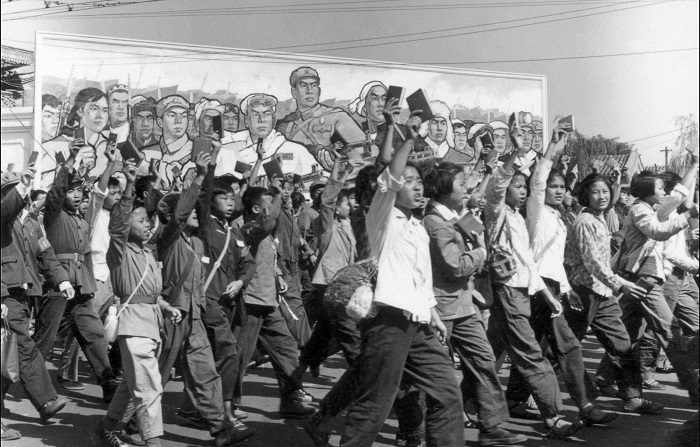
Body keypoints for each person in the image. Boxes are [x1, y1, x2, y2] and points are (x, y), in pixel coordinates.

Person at [337, 120, 464, 447]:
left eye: (419, 181)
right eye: (409, 181)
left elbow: (420, 279)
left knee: (448, 391)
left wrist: (433, 315)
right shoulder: (382, 216)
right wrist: (410, 139)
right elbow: (389, 180)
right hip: (388, 321)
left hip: (418, 322)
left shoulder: (417, 225)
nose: (416, 187)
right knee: (376, 401)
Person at [506, 119, 617, 426]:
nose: (557, 191)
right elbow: (538, 180)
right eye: (552, 187)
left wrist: (566, 290)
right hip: (533, 288)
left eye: (562, 187)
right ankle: (583, 405)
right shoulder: (534, 211)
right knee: (567, 348)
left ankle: (513, 398)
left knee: (536, 348)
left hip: (553, 288)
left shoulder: (559, 218)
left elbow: (555, 259)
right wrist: (552, 148)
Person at [483, 121, 580, 438]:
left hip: (520, 292)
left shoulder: (521, 218)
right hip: (509, 292)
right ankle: (554, 416)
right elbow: (498, 185)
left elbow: (528, 263)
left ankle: (472, 406)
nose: (525, 190)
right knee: (531, 355)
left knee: (485, 356)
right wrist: (516, 153)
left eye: (525, 187)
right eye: (518, 186)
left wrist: (551, 296)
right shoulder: (496, 210)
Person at [421, 161, 526, 446]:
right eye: (460, 182)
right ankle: (414, 429)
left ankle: (491, 425)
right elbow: (455, 265)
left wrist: (483, 246)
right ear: (444, 189)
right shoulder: (434, 222)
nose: (467, 186)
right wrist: (480, 252)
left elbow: (485, 237)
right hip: (441, 308)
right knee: (428, 377)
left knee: (483, 360)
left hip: (466, 305)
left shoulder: (460, 214)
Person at [156, 151, 254, 445]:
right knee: (155, 376)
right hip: (170, 315)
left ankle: (220, 429)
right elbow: (183, 212)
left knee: (205, 371)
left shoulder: (197, 242)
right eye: (192, 213)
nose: (198, 215)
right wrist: (201, 174)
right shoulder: (169, 237)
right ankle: (121, 421)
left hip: (194, 314)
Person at [95, 160, 181, 447]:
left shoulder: (145, 253)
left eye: (148, 221)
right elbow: (118, 224)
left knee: (132, 385)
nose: (148, 225)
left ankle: (106, 428)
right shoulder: (119, 251)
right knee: (148, 388)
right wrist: (130, 186)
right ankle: (153, 442)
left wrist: (165, 306)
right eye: (142, 220)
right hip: (133, 326)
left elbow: (152, 294)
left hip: (152, 323)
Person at [564, 173, 664, 414]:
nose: (602, 196)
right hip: (582, 293)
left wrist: (616, 278)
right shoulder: (585, 221)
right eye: (596, 192)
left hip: (602, 292)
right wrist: (621, 284)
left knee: (622, 345)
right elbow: (593, 264)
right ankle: (527, 394)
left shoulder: (599, 219)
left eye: (606, 192)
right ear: (585, 194)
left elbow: (605, 262)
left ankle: (633, 397)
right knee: (565, 349)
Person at [609, 169, 699, 403]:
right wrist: (689, 213)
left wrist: (695, 164)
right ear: (648, 192)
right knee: (671, 333)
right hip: (642, 280)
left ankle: (608, 382)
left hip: (645, 279)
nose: (665, 193)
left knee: (624, 333)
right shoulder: (640, 210)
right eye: (660, 189)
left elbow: (679, 196)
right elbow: (658, 233)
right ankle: (696, 390)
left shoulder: (652, 209)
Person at [234, 180, 316, 418]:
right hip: (249, 302)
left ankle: (291, 397)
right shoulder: (246, 226)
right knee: (240, 355)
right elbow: (267, 225)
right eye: (269, 204)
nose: (274, 208)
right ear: (257, 209)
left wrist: (278, 274)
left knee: (287, 346)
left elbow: (270, 256)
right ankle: (228, 405)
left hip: (269, 301)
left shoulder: (266, 230)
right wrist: (279, 196)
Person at [43, 146, 118, 402]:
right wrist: (70, 164)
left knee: (93, 332)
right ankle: (25, 386)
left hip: (81, 284)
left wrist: (88, 283)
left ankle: (107, 381)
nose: (76, 195)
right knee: (45, 338)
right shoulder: (53, 215)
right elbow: (54, 193)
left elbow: (85, 254)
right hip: (56, 282)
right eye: (71, 191)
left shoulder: (83, 220)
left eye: (79, 191)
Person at [1, 168, 68, 439]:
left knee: (8, 358)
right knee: (23, 349)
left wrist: (61, 279)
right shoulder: (4, 218)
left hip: (22, 295)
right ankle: (46, 401)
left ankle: (44, 403)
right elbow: (5, 209)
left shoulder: (30, 222)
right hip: (5, 296)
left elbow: (46, 252)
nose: (23, 193)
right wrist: (20, 189)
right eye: (14, 190)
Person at [298, 159, 357, 380]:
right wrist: (338, 173)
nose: (351, 206)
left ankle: (304, 365)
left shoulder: (350, 225)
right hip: (329, 285)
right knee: (351, 335)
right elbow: (328, 199)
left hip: (344, 286)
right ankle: (361, 378)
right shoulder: (327, 226)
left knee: (324, 333)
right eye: (347, 203)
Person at [277, 67, 366, 171]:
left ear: (319, 90)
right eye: (303, 86)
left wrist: (339, 169)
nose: (309, 91)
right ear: (294, 92)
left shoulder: (337, 116)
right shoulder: (283, 125)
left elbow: (364, 155)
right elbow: (279, 158)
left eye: (314, 85)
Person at [217, 93, 319, 177]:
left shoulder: (296, 151)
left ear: (273, 119)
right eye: (255, 114)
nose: (262, 120)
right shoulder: (227, 152)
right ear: (247, 120)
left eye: (267, 114)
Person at [39, 87, 109, 189]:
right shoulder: (52, 147)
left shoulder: (109, 148)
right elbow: (43, 188)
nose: (100, 116)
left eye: (105, 110)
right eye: (94, 109)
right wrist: (74, 162)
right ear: (80, 111)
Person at [141, 95, 195, 190]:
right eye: (172, 115)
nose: (179, 121)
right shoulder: (147, 154)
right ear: (160, 122)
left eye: (183, 116)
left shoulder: (196, 152)